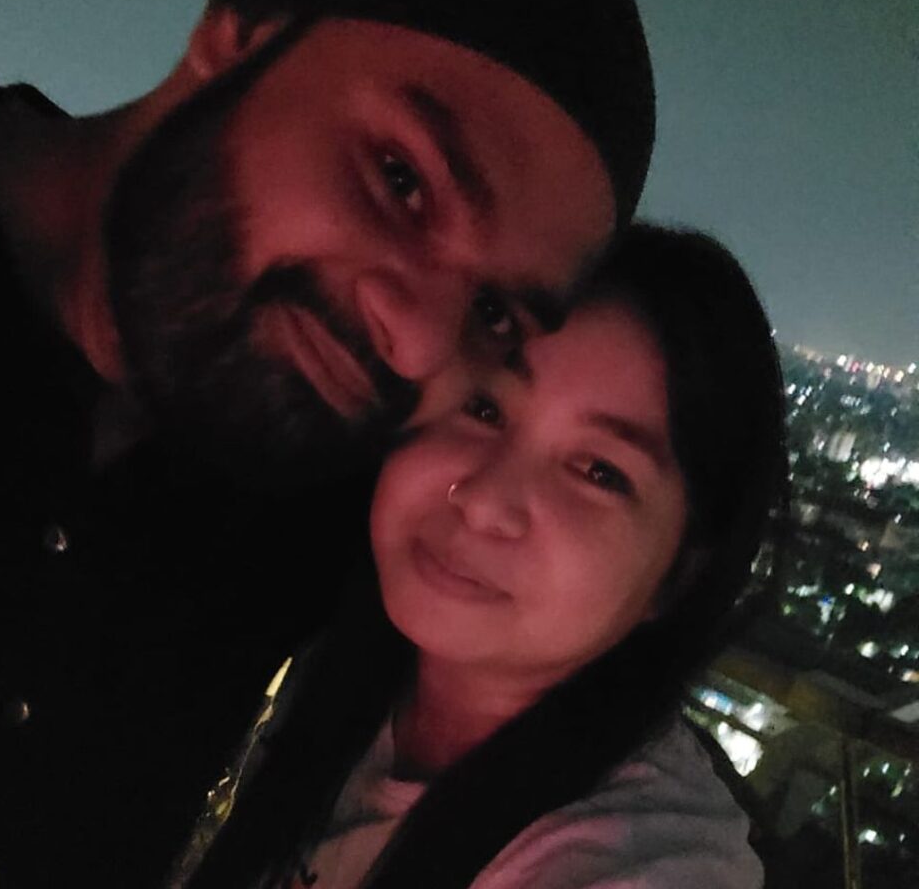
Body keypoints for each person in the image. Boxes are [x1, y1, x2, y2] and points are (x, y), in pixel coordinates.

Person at [0, 0, 655, 887]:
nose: (415, 344)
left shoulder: (332, 461)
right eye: (401, 181)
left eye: (491, 312)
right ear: (239, 35)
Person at [179, 225, 787, 889]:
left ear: (678, 576)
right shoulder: (319, 639)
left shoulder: (645, 856)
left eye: (598, 471)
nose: (484, 501)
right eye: (483, 406)